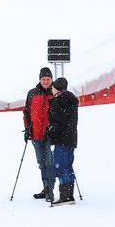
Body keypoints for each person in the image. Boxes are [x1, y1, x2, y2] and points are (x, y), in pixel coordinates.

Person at [22, 67, 56, 200]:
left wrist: (55, 129)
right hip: (36, 134)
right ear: (40, 80)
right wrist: (27, 128)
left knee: (50, 162)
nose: (46, 81)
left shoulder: (55, 92)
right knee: (41, 163)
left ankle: (50, 189)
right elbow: (26, 112)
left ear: (51, 80)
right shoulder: (32, 93)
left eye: (48, 79)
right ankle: (45, 187)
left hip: (50, 135)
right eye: (44, 79)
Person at [47, 77, 80, 206]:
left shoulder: (58, 101)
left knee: (60, 166)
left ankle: (66, 197)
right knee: (68, 165)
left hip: (62, 139)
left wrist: (49, 132)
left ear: (57, 88)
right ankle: (69, 194)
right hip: (71, 138)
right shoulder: (71, 99)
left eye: (53, 87)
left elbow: (58, 123)